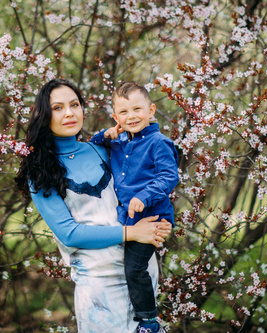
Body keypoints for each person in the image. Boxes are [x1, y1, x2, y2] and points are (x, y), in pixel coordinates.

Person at [14, 79, 172, 333]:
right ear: (44, 115)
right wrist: (131, 232)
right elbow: (69, 233)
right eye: (57, 107)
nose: (69, 113)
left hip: (140, 276)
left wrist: (160, 223)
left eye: (74, 104)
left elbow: (145, 181)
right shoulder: (41, 171)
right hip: (100, 290)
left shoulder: (103, 150)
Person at [90, 81, 179, 333]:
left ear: (151, 111)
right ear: (116, 117)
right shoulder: (119, 142)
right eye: (124, 112)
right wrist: (105, 135)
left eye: (137, 109)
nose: (132, 116)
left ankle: (149, 321)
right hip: (128, 219)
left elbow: (168, 176)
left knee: (135, 267)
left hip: (153, 216)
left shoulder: (159, 143)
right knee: (122, 266)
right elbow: (93, 144)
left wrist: (145, 195)